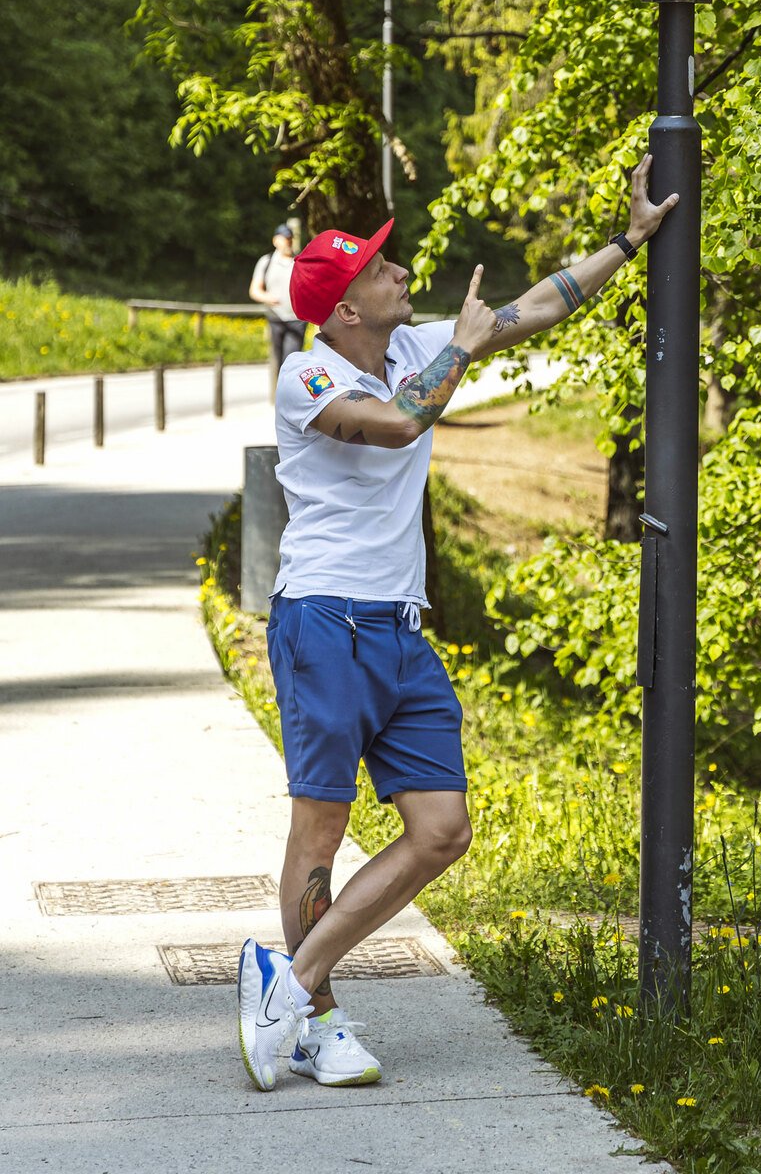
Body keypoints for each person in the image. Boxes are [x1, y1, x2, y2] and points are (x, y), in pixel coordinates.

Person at [237, 155, 679, 1092]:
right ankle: (312, 1021)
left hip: (398, 626)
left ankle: (291, 978)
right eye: (380, 269)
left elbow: (541, 306)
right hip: (324, 619)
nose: (399, 270)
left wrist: (627, 242)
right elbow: (397, 426)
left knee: (442, 829)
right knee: (321, 829)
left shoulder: (409, 345)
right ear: (345, 308)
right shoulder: (306, 377)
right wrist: (464, 348)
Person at [249, 223, 308, 378]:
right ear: (276, 240)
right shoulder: (266, 261)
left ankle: (290, 396)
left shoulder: (299, 261)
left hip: (296, 319)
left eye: (290, 238)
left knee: (291, 360)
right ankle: (279, 396)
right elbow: (254, 290)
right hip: (275, 317)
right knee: (277, 360)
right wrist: (267, 297)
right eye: (285, 238)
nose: (288, 242)